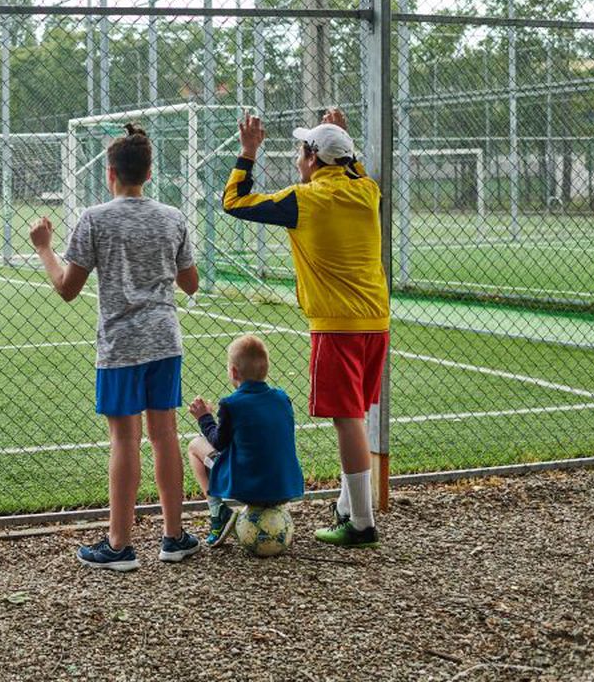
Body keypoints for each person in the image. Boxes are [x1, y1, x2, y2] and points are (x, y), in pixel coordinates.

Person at [28, 123, 201, 571]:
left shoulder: (95, 219)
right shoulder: (172, 217)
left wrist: (44, 249)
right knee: (165, 436)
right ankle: (173, 536)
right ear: (149, 172)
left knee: (125, 438)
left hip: (121, 345)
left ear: (110, 174)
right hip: (164, 339)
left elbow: (67, 288)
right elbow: (191, 283)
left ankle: (120, 544)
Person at [222, 110, 389, 548]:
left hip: (338, 325)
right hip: (376, 320)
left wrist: (248, 152)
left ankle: (362, 523)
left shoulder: (307, 199)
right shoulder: (366, 190)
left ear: (314, 158)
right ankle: (348, 507)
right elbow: (354, 169)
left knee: (347, 418)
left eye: (302, 151)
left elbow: (235, 201)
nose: (298, 159)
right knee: (357, 415)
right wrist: (342, 137)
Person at [186, 334, 305, 547]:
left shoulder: (231, 404)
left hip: (249, 486)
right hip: (286, 486)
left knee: (195, 445)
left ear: (233, 371)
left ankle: (218, 515)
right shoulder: (282, 398)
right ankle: (266, 511)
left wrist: (204, 417)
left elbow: (217, 442)